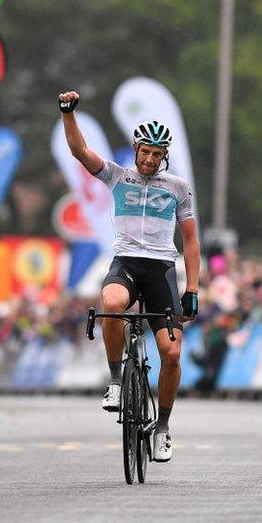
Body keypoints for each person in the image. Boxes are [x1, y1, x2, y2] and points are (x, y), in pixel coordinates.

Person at [58, 90, 200, 463]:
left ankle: (164, 427)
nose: (150, 159)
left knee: (171, 353)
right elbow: (80, 152)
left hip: (161, 270)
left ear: (164, 156)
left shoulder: (178, 188)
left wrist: (193, 289)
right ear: (136, 150)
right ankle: (117, 379)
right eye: (145, 152)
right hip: (126, 263)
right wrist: (68, 115)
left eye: (157, 154)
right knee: (113, 303)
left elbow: (190, 241)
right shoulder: (117, 176)